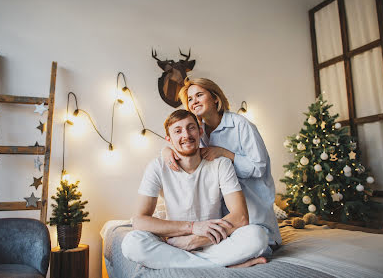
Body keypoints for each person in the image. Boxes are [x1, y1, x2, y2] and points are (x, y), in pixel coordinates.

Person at [121, 110, 269, 269]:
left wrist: (196, 239)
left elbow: (240, 217)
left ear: (200, 131)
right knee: (132, 243)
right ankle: (222, 266)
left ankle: (188, 264)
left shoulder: (221, 164)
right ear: (169, 139)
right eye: (178, 131)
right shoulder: (157, 167)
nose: (186, 135)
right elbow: (139, 221)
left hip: (213, 242)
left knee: (257, 237)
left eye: (191, 128)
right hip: (175, 244)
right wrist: (192, 227)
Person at [163, 78, 282, 255]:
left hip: (253, 213)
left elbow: (259, 168)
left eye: (199, 95)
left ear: (215, 98)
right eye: (190, 99)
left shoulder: (241, 125)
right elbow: (184, 149)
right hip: (222, 217)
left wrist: (225, 153)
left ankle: (199, 243)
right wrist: (166, 150)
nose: (194, 101)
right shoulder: (197, 130)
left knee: (257, 240)